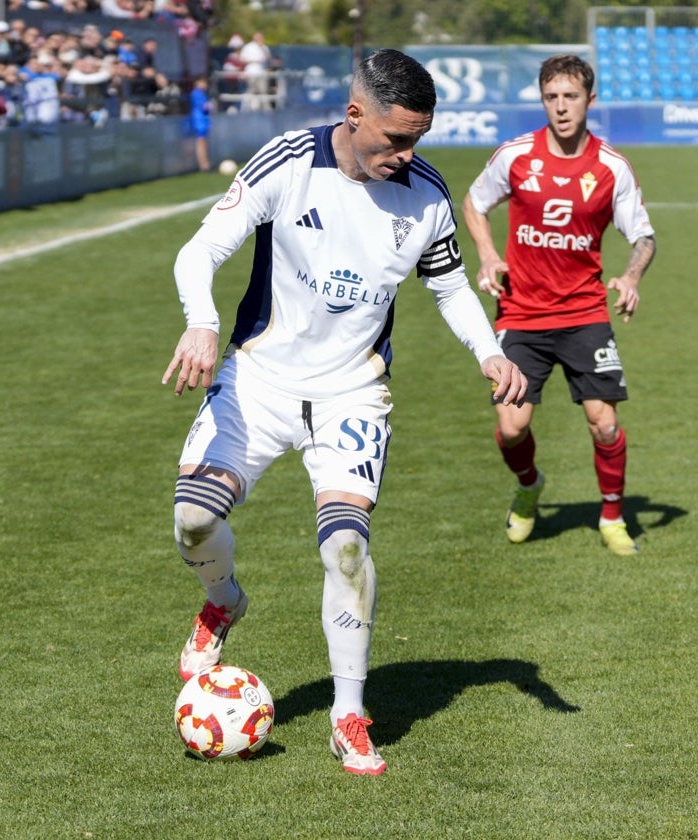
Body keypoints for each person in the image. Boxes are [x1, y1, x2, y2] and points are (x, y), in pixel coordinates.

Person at [162, 49, 527, 775]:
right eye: (396, 139)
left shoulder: (424, 194)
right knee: (194, 520)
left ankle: (350, 715)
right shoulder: (288, 162)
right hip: (259, 379)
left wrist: (489, 352)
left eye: (418, 138)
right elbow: (200, 251)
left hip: (353, 392)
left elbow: (450, 286)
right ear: (354, 114)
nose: (408, 153)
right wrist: (201, 321)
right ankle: (222, 599)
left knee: (346, 547)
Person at [462, 54, 656, 556]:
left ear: (590, 100)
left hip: (585, 313)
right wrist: (486, 255)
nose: (561, 107)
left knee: (604, 423)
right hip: (521, 314)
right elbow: (474, 203)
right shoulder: (516, 156)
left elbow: (643, 237)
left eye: (571, 97)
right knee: (511, 428)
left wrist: (632, 276)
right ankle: (529, 486)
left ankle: (612, 515)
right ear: (542, 99)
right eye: (552, 97)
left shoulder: (611, 167)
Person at [187, 75, 210, 171]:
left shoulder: (201, 93)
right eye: (203, 82)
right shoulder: (196, 93)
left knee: (203, 143)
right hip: (199, 121)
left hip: (202, 121)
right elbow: (205, 107)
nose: (205, 84)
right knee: (201, 143)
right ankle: (203, 165)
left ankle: (205, 164)